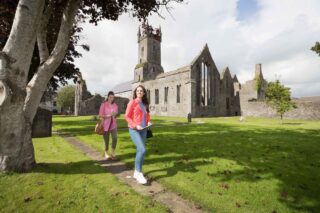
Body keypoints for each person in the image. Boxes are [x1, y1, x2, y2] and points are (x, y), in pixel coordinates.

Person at [125, 85, 151, 184]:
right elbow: (127, 117)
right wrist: (136, 125)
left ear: (144, 93)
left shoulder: (144, 104)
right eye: (138, 91)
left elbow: (147, 115)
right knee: (142, 149)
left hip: (144, 130)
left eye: (141, 91)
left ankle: (137, 172)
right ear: (135, 92)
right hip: (134, 130)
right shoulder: (132, 103)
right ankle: (138, 172)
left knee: (139, 151)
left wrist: (148, 122)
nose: (139, 92)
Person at [99, 91, 118, 160]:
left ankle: (113, 152)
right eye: (110, 97)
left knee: (115, 138)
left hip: (113, 124)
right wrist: (108, 115)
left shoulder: (115, 105)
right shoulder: (103, 105)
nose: (111, 99)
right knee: (106, 140)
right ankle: (106, 152)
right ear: (108, 97)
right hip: (106, 125)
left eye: (113, 97)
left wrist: (115, 115)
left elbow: (116, 115)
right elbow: (100, 115)